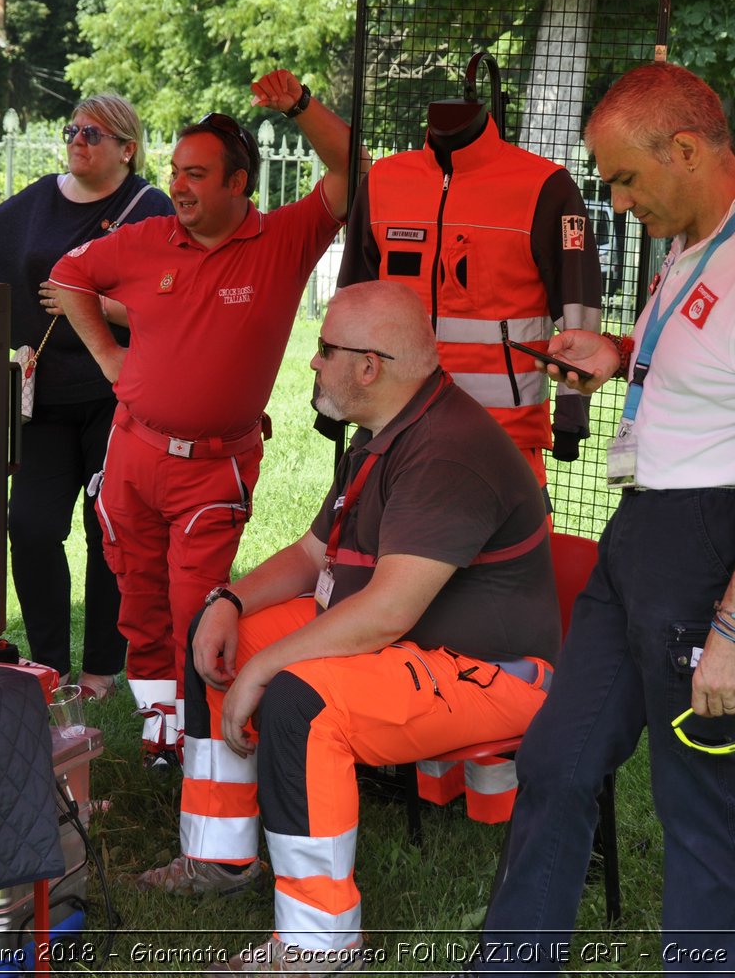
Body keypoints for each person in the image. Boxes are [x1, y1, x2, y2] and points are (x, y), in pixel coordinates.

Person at [453, 62, 735, 975]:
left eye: (626, 177)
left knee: (697, 794)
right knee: (556, 760)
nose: (618, 201)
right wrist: (622, 352)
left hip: (713, 545)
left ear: (686, 149)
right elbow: (710, 366)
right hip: (644, 536)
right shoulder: (697, 238)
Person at [137, 281, 559, 975]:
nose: (313, 361)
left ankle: (318, 945)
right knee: (217, 641)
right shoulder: (390, 428)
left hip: (487, 669)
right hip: (403, 638)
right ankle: (218, 857)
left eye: (326, 349)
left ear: (370, 366)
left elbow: (389, 611)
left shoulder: (447, 448)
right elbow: (312, 556)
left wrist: (265, 670)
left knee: (302, 701)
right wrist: (229, 601)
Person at [49, 69, 354, 763]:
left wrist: (301, 106)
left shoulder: (285, 239)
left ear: (238, 182)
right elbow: (69, 274)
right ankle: (162, 726)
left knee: (198, 604)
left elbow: (350, 169)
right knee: (140, 598)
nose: (179, 186)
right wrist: (106, 354)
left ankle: (198, 726)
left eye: (197, 174)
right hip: (131, 452)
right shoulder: (149, 238)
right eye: (177, 171)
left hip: (214, 466)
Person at [0, 93, 172, 698]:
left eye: (94, 134)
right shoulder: (41, 197)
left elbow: (175, 300)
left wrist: (94, 306)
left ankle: (102, 667)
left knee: (110, 532)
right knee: (31, 527)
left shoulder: (151, 209)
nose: (78, 139)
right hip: (42, 401)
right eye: (73, 129)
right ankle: (50, 667)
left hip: (117, 397)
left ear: (127, 149)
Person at [339, 90, 603, 489]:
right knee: (383, 548)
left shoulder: (544, 187)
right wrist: (335, 394)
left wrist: (571, 413)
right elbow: (352, 298)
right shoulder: (382, 182)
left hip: (503, 438)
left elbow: (576, 303)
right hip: (391, 427)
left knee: (508, 550)